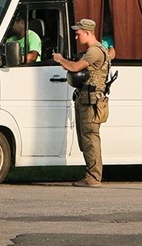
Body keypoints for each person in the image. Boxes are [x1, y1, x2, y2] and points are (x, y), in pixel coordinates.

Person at [52, 18, 110, 188]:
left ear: (87, 32)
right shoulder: (93, 51)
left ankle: (94, 177)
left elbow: (76, 67)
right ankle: (91, 174)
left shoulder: (95, 51)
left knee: (90, 138)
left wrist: (60, 59)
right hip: (86, 100)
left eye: (78, 34)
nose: (77, 37)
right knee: (86, 138)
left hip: (92, 102)